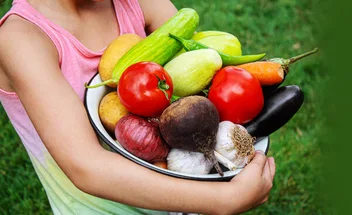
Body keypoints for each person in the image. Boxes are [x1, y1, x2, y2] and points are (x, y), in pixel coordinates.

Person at [0, 0, 276, 214]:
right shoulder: (20, 39)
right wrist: (224, 200)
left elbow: (199, 72)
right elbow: (86, 166)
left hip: (187, 196)